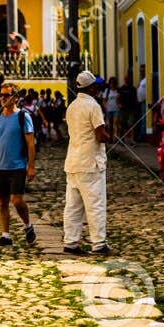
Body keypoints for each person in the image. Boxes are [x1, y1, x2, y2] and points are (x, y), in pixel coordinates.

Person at [0, 81, 38, 246]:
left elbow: (31, 143)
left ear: (16, 98)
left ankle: (27, 225)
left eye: (6, 95)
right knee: (1, 202)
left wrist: (31, 166)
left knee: (16, 200)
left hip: (17, 166)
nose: (2, 98)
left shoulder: (23, 117)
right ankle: (5, 235)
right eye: (0, 95)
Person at [62, 71, 111, 255]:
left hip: (73, 162)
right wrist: (110, 136)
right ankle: (99, 244)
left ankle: (71, 242)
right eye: (95, 86)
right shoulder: (93, 106)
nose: (97, 88)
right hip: (90, 163)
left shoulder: (72, 107)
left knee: (73, 206)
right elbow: (100, 135)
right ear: (91, 88)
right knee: (95, 204)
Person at [135, 71, 149, 140]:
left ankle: (143, 135)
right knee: (141, 118)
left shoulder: (147, 79)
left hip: (145, 102)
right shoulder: (142, 80)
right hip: (140, 102)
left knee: (144, 119)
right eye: (141, 71)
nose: (141, 72)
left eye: (143, 70)